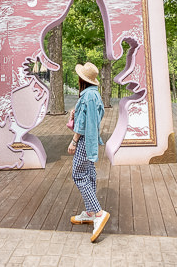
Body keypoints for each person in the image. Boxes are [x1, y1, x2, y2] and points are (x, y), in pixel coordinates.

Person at [67, 61, 109, 242]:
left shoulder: (86, 97)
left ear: (82, 79)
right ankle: (90, 212)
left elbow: (84, 124)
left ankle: (98, 213)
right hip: (91, 140)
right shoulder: (94, 95)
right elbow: (96, 116)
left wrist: (73, 141)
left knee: (79, 175)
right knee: (89, 174)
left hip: (84, 140)